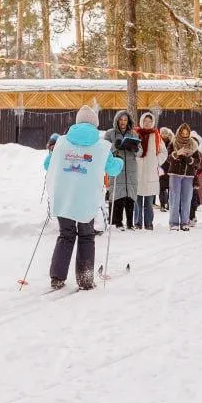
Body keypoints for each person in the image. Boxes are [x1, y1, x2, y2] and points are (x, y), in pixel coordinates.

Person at [45, 105, 125, 290]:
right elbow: (113, 169)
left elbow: (47, 164)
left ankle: (57, 277)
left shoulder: (62, 142)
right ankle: (85, 279)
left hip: (64, 196)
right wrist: (118, 159)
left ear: (77, 122)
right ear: (95, 124)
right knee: (86, 236)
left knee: (66, 235)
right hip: (86, 199)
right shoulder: (102, 146)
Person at [104, 111, 140, 230]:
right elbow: (104, 149)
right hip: (117, 167)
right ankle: (118, 223)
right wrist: (116, 146)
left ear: (128, 121)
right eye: (121, 119)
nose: (123, 122)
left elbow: (140, 151)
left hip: (131, 168)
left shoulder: (134, 133)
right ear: (117, 121)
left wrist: (134, 148)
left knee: (130, 195)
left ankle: (130, 223)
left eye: (125, 120)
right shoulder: (110, 133)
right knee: (118, 195)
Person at [165, 123, 202, 231]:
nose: (185, 135)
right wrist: (177, 153)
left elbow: (198, 162)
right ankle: (173, 222)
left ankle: (184, 222)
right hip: (175, 174)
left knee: (186, 199)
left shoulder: (193, 144)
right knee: (174, 198)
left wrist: (190, 159)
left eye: (187, 133)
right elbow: (168, 159)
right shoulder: (173, 142)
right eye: (183, 133)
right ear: (179, 132)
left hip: (189, 175)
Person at [134, 112, 167, 230]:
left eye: (149, 121)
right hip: (138, 171)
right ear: (141, 122)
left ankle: (148, 224)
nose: (147, 124)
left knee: (148, 202)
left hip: (150, 172)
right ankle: (137, 223)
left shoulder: (156, 135)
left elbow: (164, 152)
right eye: (145, 121)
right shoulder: (135, 134)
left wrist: (156, 161)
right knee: (137, 201)